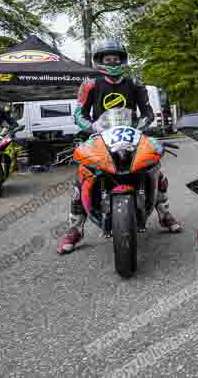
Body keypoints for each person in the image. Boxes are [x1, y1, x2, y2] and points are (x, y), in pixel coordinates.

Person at [56, 39, 182, 255]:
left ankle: (164, 214)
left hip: (131, 133)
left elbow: (148, 112)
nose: (112, 61)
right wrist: (90, 126)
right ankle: (75, 230)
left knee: (154, 169)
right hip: (99, 134)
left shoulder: (135, 83)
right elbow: (79, 114)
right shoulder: (90, 85)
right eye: (108, 58)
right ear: (100, 61)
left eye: (116, 58)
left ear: (122, 60)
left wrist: (142, 125)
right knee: (82, 177)